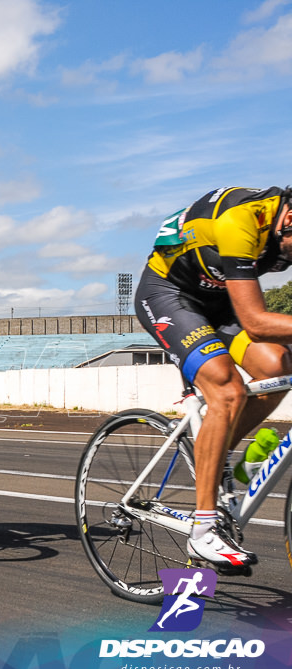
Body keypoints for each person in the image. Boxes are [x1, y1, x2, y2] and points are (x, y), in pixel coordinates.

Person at [134, 186, 292, 571]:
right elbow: (255, 321)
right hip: (170, 295)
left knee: (279, 368)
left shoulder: (283, 228)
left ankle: (218, 455)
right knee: (226, 389)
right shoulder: (241, 222)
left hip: (218, 301)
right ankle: (202, 532)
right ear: (289, 219)